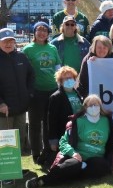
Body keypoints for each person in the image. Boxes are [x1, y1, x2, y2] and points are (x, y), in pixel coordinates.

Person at [25, 94, 113, 188]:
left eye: (96, 104)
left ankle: (72, 173)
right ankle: (41, 181)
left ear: (100, 106)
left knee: (101, 166)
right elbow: (63, 142)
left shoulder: (107, 121)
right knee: (72, 165)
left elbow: (112, 142)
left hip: (96, 159)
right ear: (85, 107)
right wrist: (73, 153)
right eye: (90, 105)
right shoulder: (78, 121)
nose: (94, 107)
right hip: (78, 157)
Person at [22, 21, 61, 164]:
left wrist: (60, 86)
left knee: (48, 123)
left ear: (48, 33)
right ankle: (35, 152)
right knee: (34, 123)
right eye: (39, 30)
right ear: (34, 32)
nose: (42, 32)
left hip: (52, 90)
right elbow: (24, 72)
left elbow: (58, 68)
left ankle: (47, 150)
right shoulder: (27, 49)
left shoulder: (52, 48)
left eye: (45, 30)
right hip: (35, 91)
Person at [0, 28, 34, 151]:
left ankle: (17, 169)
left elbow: (31, 76)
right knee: (4, 142)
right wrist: (1, 103)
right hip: (4, 112)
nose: (8, 44)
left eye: (11, 41)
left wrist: (29, 94)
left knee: (19, 139)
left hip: (20, 108)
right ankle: (5, 169)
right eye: (5, 41)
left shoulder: (21, 57)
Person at [48, 66, 83, 156]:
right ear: (60, 81)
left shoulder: (78, 94)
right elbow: (52, 120)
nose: (69, 80)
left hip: (79, 129)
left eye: (70, 78)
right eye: (66, 78)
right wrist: (53, 140)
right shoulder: (56, 97)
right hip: (64, 132)